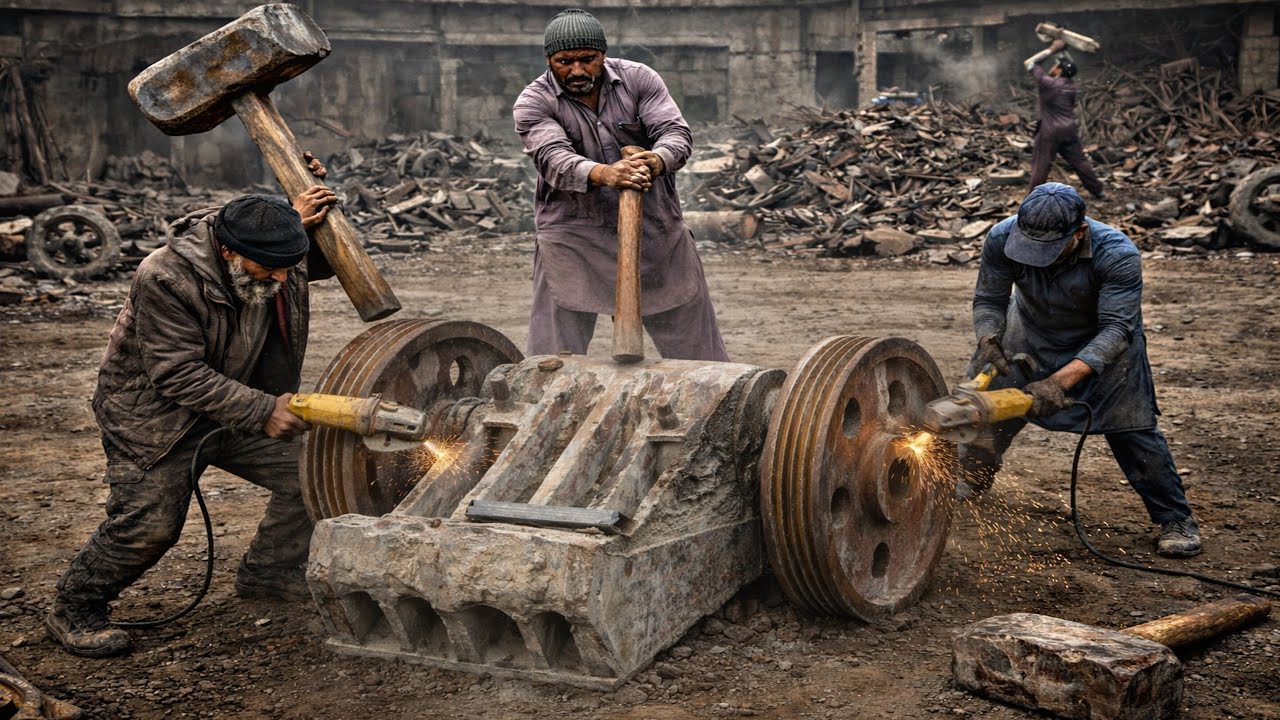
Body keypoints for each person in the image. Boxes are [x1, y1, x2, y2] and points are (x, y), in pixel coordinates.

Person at [46, 159, 339, 658]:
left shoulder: (270, 253)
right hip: (155, 418)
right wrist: (261, 409)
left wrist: (308, 206)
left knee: (315, 475)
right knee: (150, 525)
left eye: (287, 265)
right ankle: (74, 607)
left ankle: (266, 574)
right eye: (268, 268)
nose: (281, 277)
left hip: (234, 405)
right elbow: (175, 374)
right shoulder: (165, 275)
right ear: (227, 250)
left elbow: (323, 260)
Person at [961, 182, 1201, 559]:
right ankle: (972, 478)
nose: (1038, 259)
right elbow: (989, 298)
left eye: (1049, 251)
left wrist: (1060, 381)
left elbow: (1117, 328)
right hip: (1027, 334)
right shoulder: (1001, 238)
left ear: (1080, 232)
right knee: (982, 413)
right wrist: (989, 337)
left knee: (1133, 431)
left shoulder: (1117, 254)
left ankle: (1174, 517)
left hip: (1104, 346)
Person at [513, 8, 728, 361]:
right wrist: (605, 174)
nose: (577, 70)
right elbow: (553, 158)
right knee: (552, 357)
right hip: (574, 237)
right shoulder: (533, 102)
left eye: (588, 59)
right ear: (548, 60)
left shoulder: (639, 79)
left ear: (604, 54)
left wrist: (657, 160)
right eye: (564, 61)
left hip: (653, 229)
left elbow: (675, 132)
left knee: (698, 353)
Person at [1023, 39, 1105, 199]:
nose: (1052, 68)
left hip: (1050, 131)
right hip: (1069, 130)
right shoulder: (1071, 86)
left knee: (1041, 164)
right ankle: (1099, 191)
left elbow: (1029, 63)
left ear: (1059, 71)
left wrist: (1051, 49)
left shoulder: (1048, 84)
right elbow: (1070, 66)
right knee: (1080, 162)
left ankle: (1033, 198)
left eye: (1055, 66)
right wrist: (1063, 51)